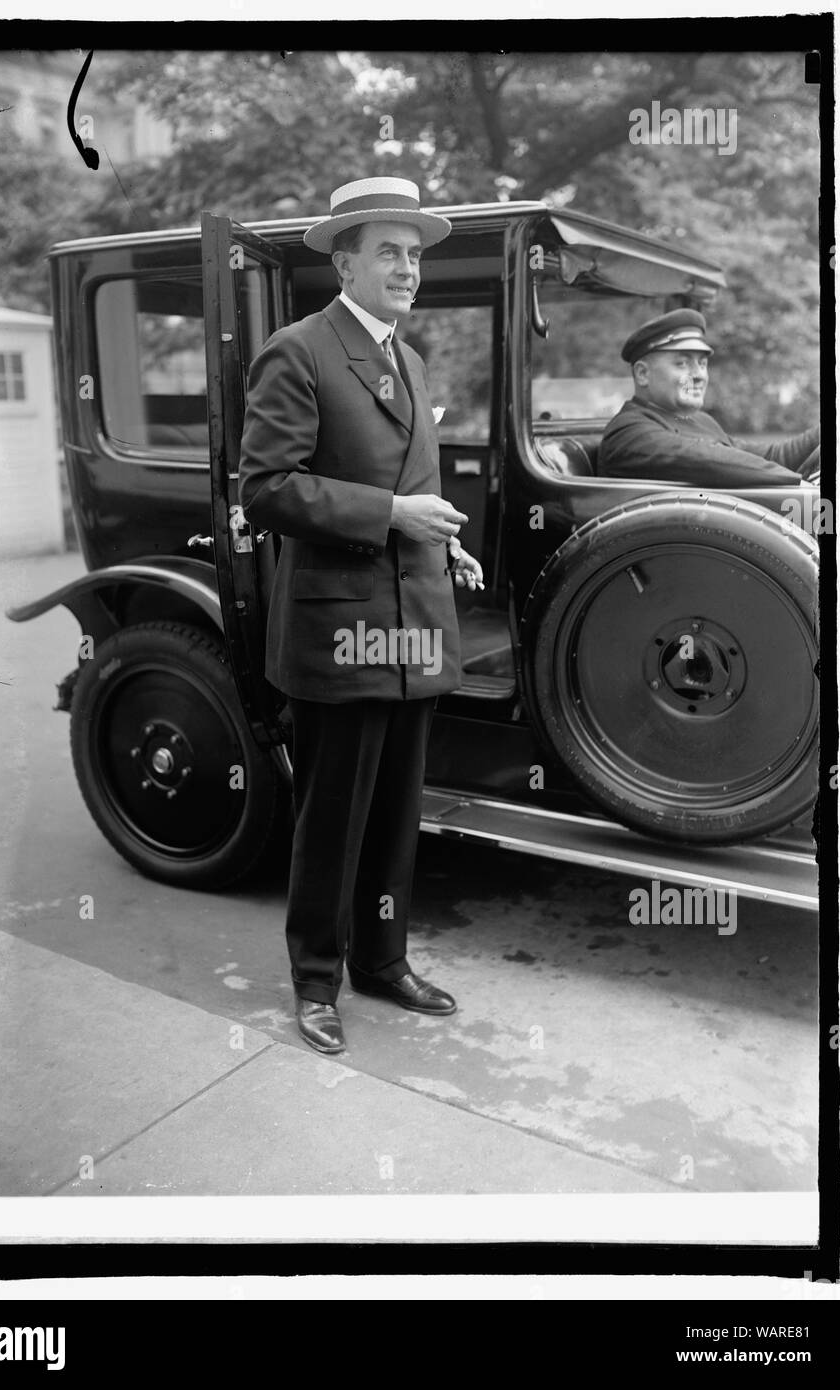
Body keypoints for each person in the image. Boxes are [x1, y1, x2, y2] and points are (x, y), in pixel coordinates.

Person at [238, 177, 483, 1055]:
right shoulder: (298, 351)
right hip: (339, 630)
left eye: (414, 254)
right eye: (389, 252)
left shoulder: (406, 360)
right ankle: (315, 982)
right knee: (332, 816)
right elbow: (267, 489)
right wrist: (392, 515)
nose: (407, 268)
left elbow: (409, 487)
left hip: (413, 619)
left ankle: (382, 961)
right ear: (344, 263)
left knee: (393, 812)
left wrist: (443, 543)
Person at [597, 308, 819, 487]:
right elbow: (706, 461)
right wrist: (797, 483)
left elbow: (773, 457)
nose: (699, 376)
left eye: (702, 364)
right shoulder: (628, 432)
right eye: (682, 364)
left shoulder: (700, 420)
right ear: (643, 374)